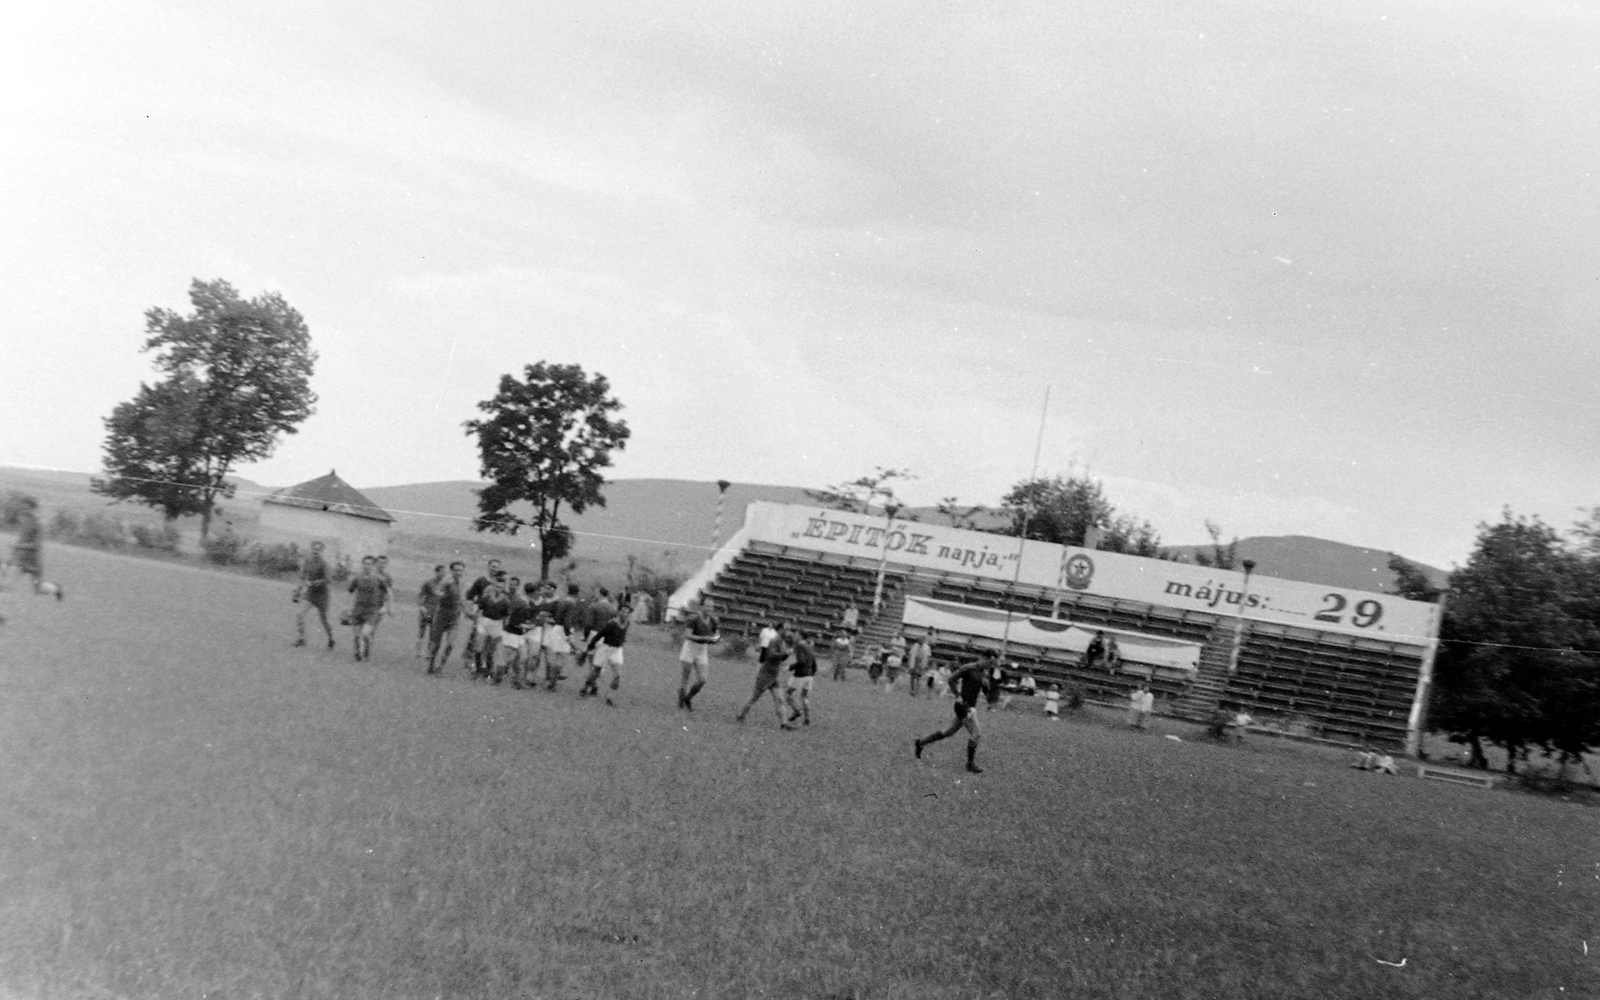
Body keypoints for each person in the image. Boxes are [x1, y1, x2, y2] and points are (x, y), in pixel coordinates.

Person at [914, 650, 995, 774]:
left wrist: (986, 686)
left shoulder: (983, 672)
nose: (990, 665)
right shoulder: (968, 668)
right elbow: (951, 679)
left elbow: (985, 691)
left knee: (948, 731)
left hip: (970, 707)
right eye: (990, 662)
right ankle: (970, 764)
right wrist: (958, 695)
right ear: (983, 657)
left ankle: (920, 743)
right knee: (976, 733)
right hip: (963, 707)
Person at [736, 621, 794, 728]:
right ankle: (741, 715)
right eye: (786, 629)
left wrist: (786, 654)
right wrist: (784, 653)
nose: (788, 631)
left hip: (774, 675)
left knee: (780, 699)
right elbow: (770, 656)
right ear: (780, 629)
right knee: (754, 697)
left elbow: (781, 658)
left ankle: (784, 723)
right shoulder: (774, 641)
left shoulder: (782, 641)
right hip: (765, 674)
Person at [580, 606, 630, 705]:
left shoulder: (627, 623)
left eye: (627, 612)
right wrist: (590, 647)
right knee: (596, 672)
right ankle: (585, 687)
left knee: (618, 675)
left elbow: (623, 634)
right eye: (623, 611)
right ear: (619, 612)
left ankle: (609, 697)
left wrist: (621, 641)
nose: (625, 614)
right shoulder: (611, 624)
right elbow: (600, 635)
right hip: (606, 648)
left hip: (617, 650)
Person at [677, 598, 720, 710]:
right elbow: (687, 634)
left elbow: (716, 634)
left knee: (702, 679)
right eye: (707, 606)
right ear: (702, 607)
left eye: (711, 607)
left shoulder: (713, 620)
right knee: (685, 677)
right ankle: (681, 703)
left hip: (702, 649)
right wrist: (703, 638)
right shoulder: (694, 618)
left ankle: (688, 698)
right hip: (690, 647)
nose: (710, 609)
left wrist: (715, 639)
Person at [461, 558, 503, 670]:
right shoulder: (481, 581)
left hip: (495, 616)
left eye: (497, 567)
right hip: (481, 613)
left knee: (490, 640)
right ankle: (471, 660)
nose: (495, 569)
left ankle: (484, 663)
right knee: (476, 637)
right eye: (493, 567)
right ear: (488, 567)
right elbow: (470, 596)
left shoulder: (500, 582)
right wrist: (470, 610)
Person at [425, 561, 466, 675]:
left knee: (451, 643)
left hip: (455, 617)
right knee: (436, 643)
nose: (458, 572)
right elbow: (437, 591)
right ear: (452, 571)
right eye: (456, 570)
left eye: (461, 570)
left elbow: (461, 599)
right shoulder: (447, 582)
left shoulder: (462, 584)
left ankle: (441, 667)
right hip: (442, 615)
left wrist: (467, 612)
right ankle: (431, 664)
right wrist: (442, 595)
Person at [346, 556, 389, 662]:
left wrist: (386, 607)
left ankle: (366, 652)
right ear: (362, 564)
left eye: (369, 564)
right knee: (356, 635)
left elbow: (388, 592)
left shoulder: (379, 579)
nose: (367, 566)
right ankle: (358, 653)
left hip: (371, 610)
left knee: (365, 634)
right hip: (358, 609)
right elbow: (350, 592)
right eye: (365, 563)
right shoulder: (357, 578)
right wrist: (348, 607)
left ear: (373, 566)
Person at [293, 540, 335, 649]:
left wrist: (313, 583)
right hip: (310, 594)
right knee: (299, 614)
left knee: (324, 620)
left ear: (321, 551)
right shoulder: (307, 561)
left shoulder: (324, 564)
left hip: (322, 596)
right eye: (314, 549)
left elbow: (328, 579)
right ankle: (301, 639)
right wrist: (298, 590)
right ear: (311, 549)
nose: (315, 551)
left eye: (318, 549)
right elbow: (303, 577)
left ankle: (331, 638)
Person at [471, 569, 512, 680]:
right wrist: (476, 621)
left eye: (501, 587)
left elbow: (505, 616)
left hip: (496, 624)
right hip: (484, 621)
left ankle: (488, 670)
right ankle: (477, 669)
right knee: (479, 647)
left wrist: (504, 627)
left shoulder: (505, 600)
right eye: (497, 586)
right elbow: (479, 609)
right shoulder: (486, 597)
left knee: (490, 649)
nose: (499, 589)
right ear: (494, 585)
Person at [785, 630, 819, 726]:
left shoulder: (799, 645)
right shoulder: (810, 645)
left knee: (787, 693)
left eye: (796, 634)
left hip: (800, 675)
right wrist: (813, 672)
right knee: (804, 697)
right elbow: (813, 660)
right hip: (809, 675)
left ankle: (796, 711)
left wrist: (790, 667)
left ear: (800, 636)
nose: (795, 636)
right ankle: (807, 719)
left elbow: (801, 661)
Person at [414, 564, 446, 658]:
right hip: (426, 609)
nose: (443, 574)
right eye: (442, 572)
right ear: (437, 572)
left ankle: (429, 653)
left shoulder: (445, 584)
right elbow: (420, 595)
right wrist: (421, 606)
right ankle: (418, 651)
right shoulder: (428, 583)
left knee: (433, 632)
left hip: (437, 611)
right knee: (422, 631)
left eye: (445, 572)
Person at [906, 632, 932, 697]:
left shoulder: (927, 647)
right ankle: (912, 689)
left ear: (923, 640)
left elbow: (928, 657)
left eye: (921, 639)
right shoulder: (915, 646)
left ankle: (916, 690)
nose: (920, 641)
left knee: (918, 678)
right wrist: (909, 663)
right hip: (914, 662)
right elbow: (911, 654)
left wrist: (926, 665)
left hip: (921, 663)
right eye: (919, 639)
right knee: (912, 677)